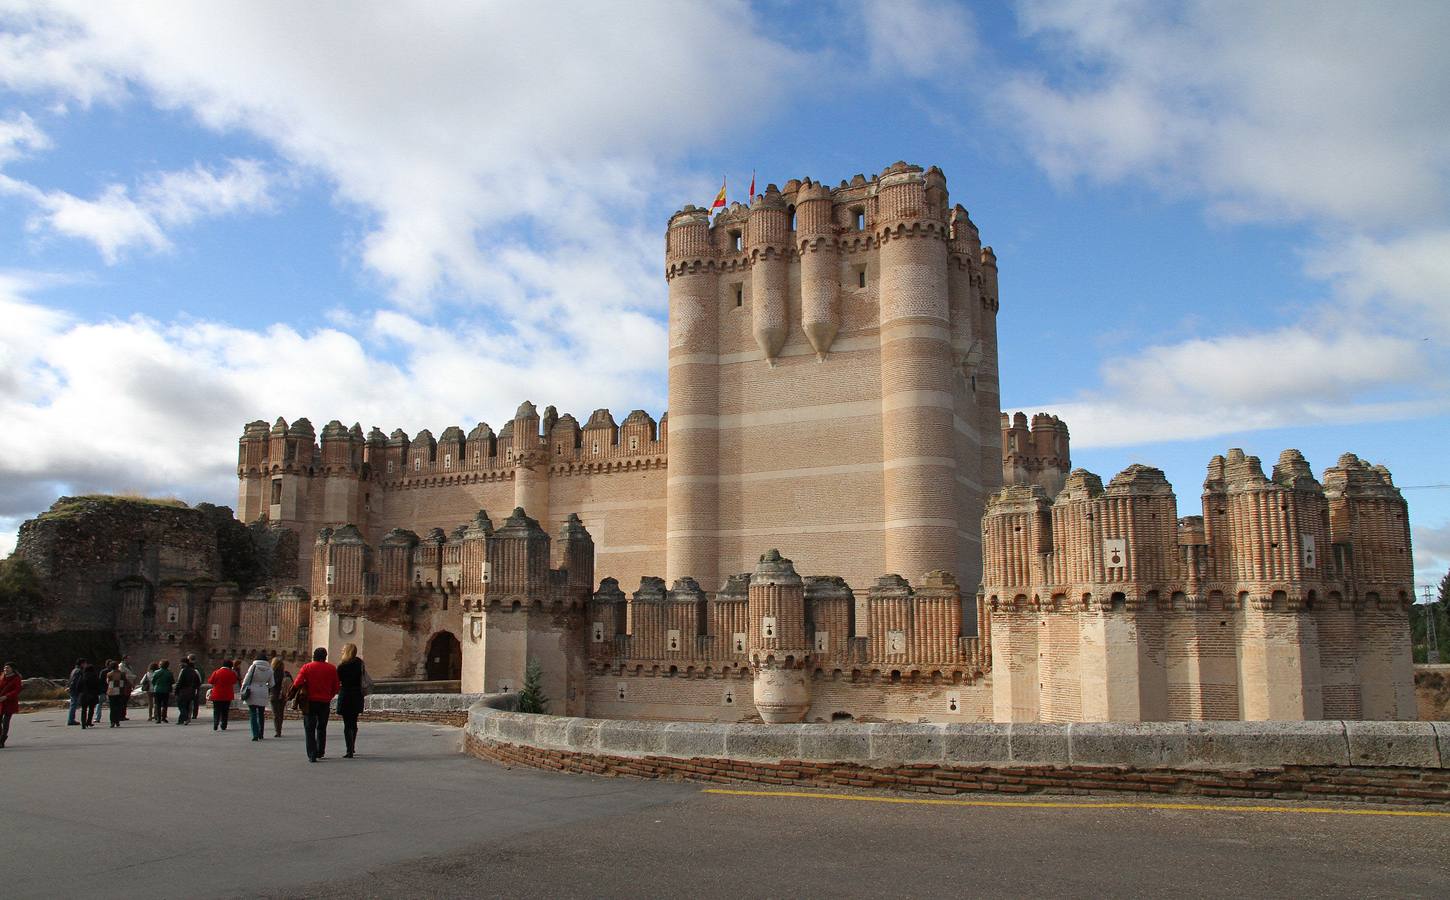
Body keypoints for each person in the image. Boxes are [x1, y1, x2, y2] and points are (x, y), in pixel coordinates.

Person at [290, 647, 339, 762]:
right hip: (324, 702)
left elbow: (297, 683)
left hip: (310, 701)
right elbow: (336, 687)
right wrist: (329, 696)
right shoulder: (332, 668)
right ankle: (320, 751)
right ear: (325, 657)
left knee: (309, 728)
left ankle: (312, 754)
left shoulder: (307, 667)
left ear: (314, 656)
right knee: (322, 727)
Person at [335, 643, 370, 758]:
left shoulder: (342, 666)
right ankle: (352, 746)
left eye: (343, 649)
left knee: (347, 724)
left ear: (347, 651)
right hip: (356, 694)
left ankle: (349, 749)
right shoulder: (360, 663)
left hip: (346, 694)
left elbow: (337, 681)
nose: (341, 650)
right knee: (353, 722)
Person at [239, 654, 274, 741]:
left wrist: (242, 689)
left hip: (252, 691)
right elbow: (272, 684)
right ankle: (261, 733)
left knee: (253, 713)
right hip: (263, 692)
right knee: (261, 713)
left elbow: (247, 679)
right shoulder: (270, 669)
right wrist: (265, 685)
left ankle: (255, 734)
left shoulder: (253, 667)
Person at [207, 660, 239, 731]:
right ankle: (224, 725)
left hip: (217, 694)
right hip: (227, 695)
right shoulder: (232, 673)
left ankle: (215, 723)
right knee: (225, 711)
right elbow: (234, 681)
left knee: (216, 710)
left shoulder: (216, 672)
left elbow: (210, 681)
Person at [269, 657, 292, 737]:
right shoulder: (285, 674)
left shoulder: (271, 674)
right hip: (282, 696)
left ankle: (277, 731)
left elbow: (269, 685)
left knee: (275, 714)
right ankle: (279, 729)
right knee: (281, 713)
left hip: (274, 695)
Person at [174, 658, 202, 725]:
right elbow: (198, 681)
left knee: (180, 705)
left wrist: (176, 690)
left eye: (181, 663)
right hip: (191, 691)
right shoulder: (194, 671)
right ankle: (181, 720)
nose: (180, 664)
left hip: (183, 691)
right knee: (186, 706)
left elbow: (180, 682)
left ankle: (185, 717)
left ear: (185, 663)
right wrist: (194, 688)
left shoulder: (183, 671)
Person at [0, 663, 21, 747]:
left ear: (12, 669)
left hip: (10, 702)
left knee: (6, 721)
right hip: (1, 701)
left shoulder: (16, 678)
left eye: (8, 668)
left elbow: (17, 690)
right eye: (5, 668)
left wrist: (6, 696)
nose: (5, 670)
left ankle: (2, 738)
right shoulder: (1, 676)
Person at [78, 661, 102, 729]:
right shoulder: (95, 676)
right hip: (93, 695)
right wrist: (98, 693)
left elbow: (79, 686)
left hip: (84, 695)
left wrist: (79, 692)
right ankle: (89, 721)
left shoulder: (82, 676)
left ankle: (83, 723)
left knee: (84, 710)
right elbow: (98, 686)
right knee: (91, 709)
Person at [117, 655, 138, 721]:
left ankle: (123, 715)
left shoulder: (129, 666)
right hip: (124, 684)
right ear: (124, 659)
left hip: (129, 684)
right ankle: (120, 715)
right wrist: (133, 676)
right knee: (123, 700)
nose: (130, 660)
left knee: (125, 700)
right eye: (128, 659)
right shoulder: (121, 666)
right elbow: (123, 675)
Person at [66, 658, 85, 726]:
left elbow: (71, 680)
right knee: (73, 704)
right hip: (75, 689)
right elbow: (76, 681)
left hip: (72, 689)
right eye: (84, 663)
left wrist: (68, 687)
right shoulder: (79, 671)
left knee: (73, 704)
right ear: (82, 663)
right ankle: (71, 720)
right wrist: (79, 690)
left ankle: (71, 719)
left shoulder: (74, 670)